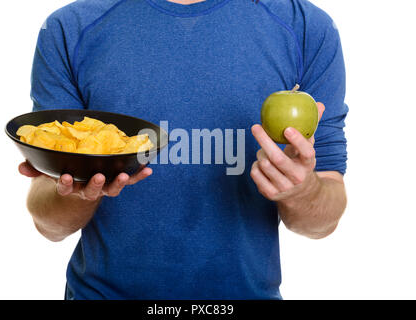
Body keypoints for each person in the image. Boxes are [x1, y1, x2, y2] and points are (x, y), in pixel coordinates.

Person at [19, 0, 348, 299]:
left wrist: (302, 192)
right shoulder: (68, 28)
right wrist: (76, 193)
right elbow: (48, 223)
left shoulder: (306, 28)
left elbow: (323, 220)